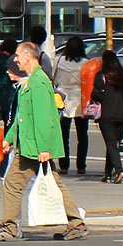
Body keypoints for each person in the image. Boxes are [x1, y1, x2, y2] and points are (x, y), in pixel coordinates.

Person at [0, 41, 87, 242]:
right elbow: (21, 116)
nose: (16, 60)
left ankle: (10, 227)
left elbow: (44, 118)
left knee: (12, 183)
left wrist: (43, 148)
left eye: (18, 56)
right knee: (53, 182)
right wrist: (9, 139)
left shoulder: (39, 82)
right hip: (30, 144)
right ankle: (76, 223)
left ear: (28, 57)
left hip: (34, 146)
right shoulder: (32, 80)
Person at [91, 50, 123, 184]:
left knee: (110, 143)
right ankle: (108, 174)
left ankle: (119, 170)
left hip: (107, 114)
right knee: (113, 144)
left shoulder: (101, 76)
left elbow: (96, 95)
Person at [52, 36, 89, 175]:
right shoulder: (85, 63)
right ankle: (81, 165)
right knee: (82, 135)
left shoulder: (59, 60)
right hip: (80, 99)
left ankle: (64, 165)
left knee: (63, 135)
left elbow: (54, 79)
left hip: (62, 98)